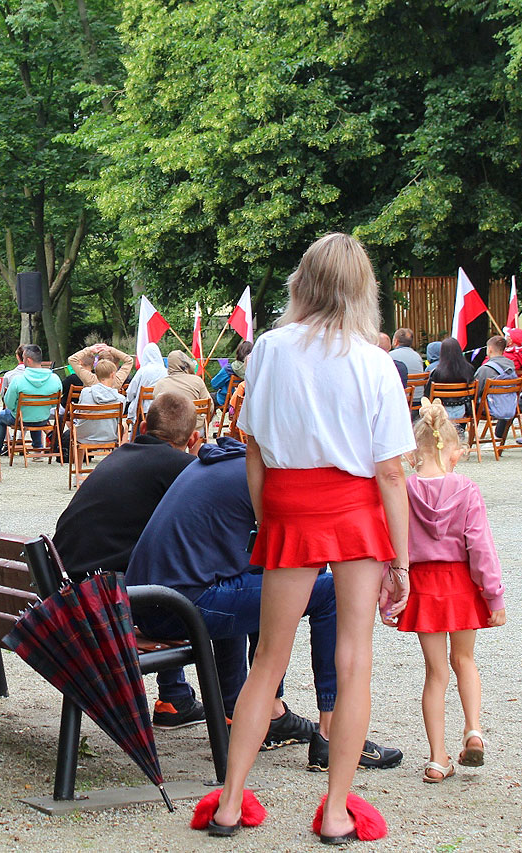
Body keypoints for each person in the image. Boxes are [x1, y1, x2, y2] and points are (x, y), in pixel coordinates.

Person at [198, 233, 414, 842]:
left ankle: (231, 801)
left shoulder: (268, 348)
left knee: (268, 656)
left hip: (289, 503)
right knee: (354, 660)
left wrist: (269, 519)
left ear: (303, 282)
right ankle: (339, 809)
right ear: (361, 290)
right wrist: (401, 560)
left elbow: (255, 448)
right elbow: (390, 470)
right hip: (354, 509)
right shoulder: (375, 360)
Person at [128, 437, 403, 766]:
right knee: (325, 592)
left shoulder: (230, 464)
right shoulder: (273, 481)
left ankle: (259, 713)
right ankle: (332, 734)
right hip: (177, 605)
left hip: (152, 601)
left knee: (266, 580)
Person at [52, 392, 206, 728]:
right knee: (201, 585)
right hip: (105, 601)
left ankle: (176, 698)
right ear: (193, 438)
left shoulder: (119, 456)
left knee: (157, 571)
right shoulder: (182, 467)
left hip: (66, 589)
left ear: (140, 426)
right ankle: (217, 704)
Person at [398, 400, 506, 783]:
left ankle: (436, 757)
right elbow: (480, 547)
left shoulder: (405, 490)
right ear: (455, 453)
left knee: (435, 672)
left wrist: (388, 594)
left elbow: (393, 545)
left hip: (423, 588)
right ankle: (474, 729)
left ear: (414, 452)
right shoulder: (466, 489)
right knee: (465, 661)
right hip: (461, 585)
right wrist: (493, 596)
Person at [0, 345, 63, 451]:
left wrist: (17, 410)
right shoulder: (55, 379)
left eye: (23, 358)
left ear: (28, 360)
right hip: (43, 418)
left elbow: (9, 403)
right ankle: (37, 447)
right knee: (35, 411)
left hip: (21, 419)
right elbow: (54, 404)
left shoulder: (18, 380)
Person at [62, 358, 126, 458]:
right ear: (113, 375)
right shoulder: (120, 399)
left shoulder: (85, 392)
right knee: (124, 425)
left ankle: (78, 471)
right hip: (110, 436)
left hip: (83, 436)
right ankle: (121, 458)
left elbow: (79, 414)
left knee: (77, 427)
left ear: (96, 375)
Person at [472, 335, 517, 438]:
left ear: (490, 349)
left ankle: (464, 439)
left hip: (489, 408)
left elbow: (475, 391)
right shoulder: (511, 367)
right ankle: (499, 437)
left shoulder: (485, 369)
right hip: (509, 405)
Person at [427, 337, 475, 421]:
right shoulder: (469, 369)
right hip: (463, 411)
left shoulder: (437, 372)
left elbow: (428, 395)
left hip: (441, 413)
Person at [67, 343, 134, 391]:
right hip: (111, 410)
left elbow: (72, 359)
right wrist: (111, 349)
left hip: (90, 410)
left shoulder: (91, 379)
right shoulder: (117, 381)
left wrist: (90, 349)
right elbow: (129, 360)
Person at [126, 342, 167, 420]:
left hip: (143, 411)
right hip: (162, 409)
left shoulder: (143, 371)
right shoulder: (166, 371)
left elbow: (132, 390)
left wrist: (128, 399)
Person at [210, 340, 252, 408]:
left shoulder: (229, 369)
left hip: (224, 400)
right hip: (243, 402)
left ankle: (205, 418)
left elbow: (214, 384)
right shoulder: (253, 371)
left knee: (208, 397)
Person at [390, 328, 425, 399]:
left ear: (396, 341)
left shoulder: (390, 356)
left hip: (402, 400)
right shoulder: (417, 356)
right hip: (418, 398)